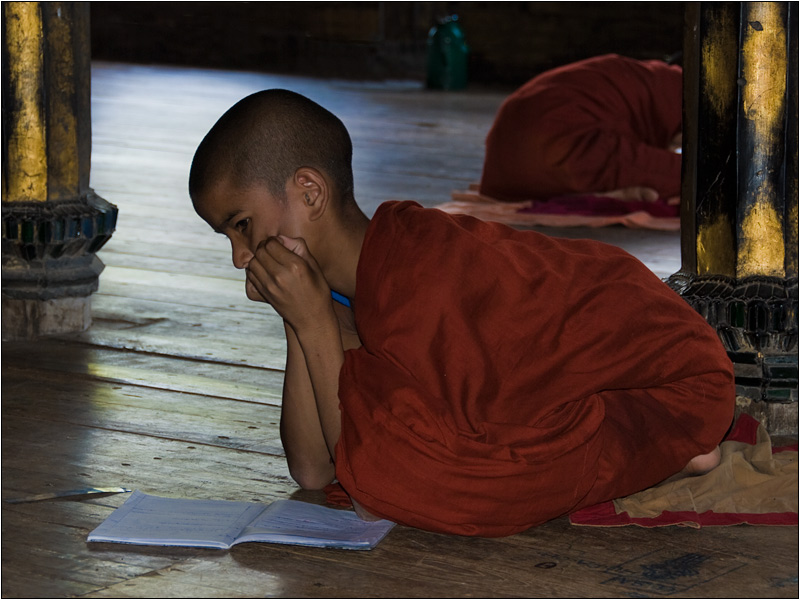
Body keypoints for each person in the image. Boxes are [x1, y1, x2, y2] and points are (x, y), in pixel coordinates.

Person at [188, 89, 734, 537]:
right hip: (616, 378)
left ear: (309, 192)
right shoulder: (342, 287)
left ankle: (664, 442)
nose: (240, 257)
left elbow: (381, 492)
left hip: (667, 374)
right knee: (446, 468)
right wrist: (299, 318)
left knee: (463, 486)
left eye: (241, 226)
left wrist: (313, 322)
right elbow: (314, 469)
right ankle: (654, 453)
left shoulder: (422, 267)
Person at [479, 54, 683, 206]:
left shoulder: (653, 77)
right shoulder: (686, 91)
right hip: (557, 145)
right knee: (697, 181)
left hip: (503, 169)